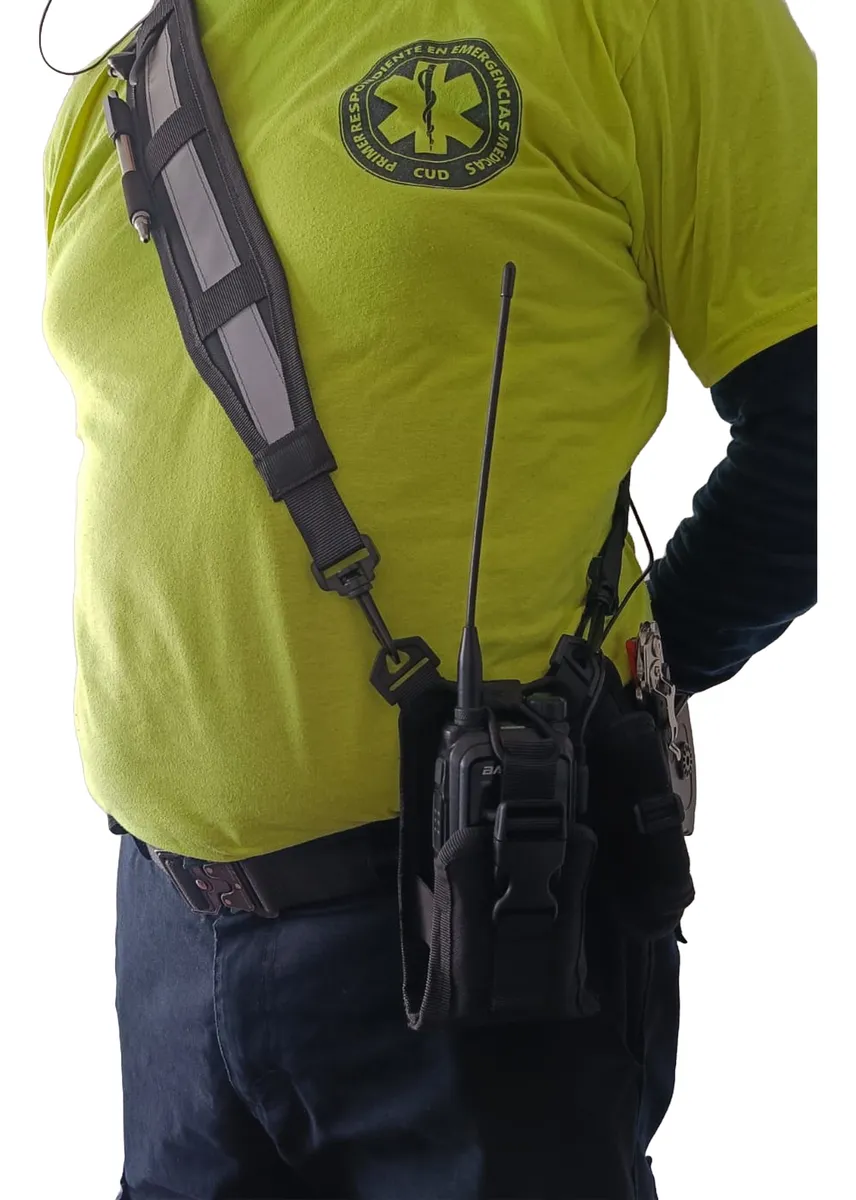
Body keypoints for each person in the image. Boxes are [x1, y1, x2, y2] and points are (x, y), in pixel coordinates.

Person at [41, 0, 816, 1196]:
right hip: (168, 940)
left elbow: (818, 433)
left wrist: (620, 691)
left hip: (484, 913)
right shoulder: (123, 88)